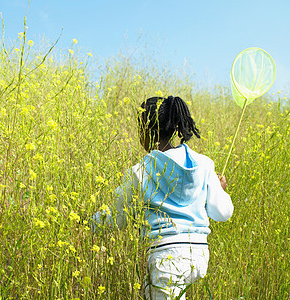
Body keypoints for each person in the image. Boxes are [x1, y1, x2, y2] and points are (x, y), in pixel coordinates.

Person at [92, 96, 233, 299]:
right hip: (199, 253)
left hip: (166, 257)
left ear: (146, 130)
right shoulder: (204, 163)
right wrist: (221, 190)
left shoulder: (141, 170)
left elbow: (116, 218)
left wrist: (89, 223)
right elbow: (222, 213)